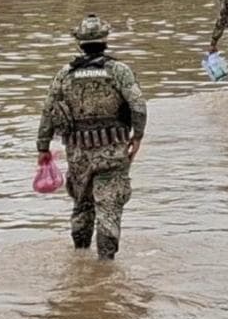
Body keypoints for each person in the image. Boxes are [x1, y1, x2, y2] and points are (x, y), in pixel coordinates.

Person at [37, 15, 147, 261]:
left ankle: (80, 257)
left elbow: (48, 110)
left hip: (78, 153)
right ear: (105, 40)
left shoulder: (65, 74)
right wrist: (137, 136)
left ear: (79, 43)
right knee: (108, 206)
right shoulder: (119, 71)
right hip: (113, 150)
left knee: (82, 205)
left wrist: (42, 146)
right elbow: (138, 105)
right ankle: (105, 265)